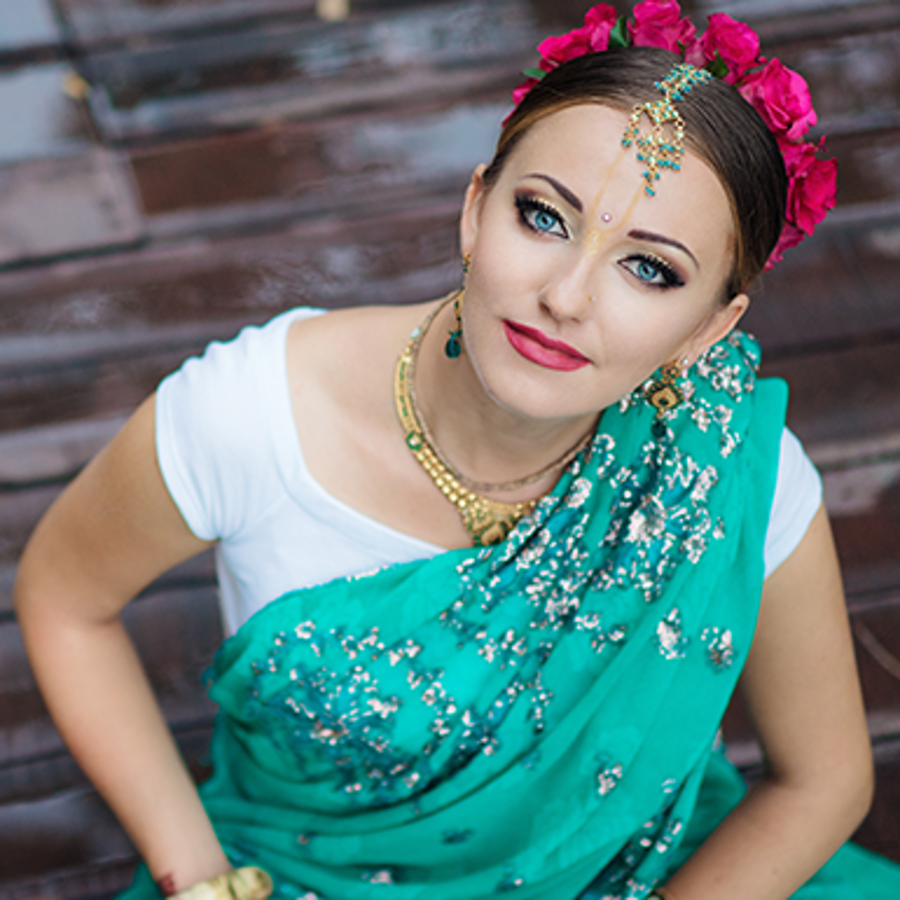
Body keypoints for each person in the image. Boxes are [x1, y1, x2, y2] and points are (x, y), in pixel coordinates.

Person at [13, 3, 900, 899]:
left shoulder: (726, 472)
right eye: (544, 217)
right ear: (476, 208)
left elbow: (821, 780)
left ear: (708, 330)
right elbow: (63, 599)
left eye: (650, 268)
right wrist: (201, 877)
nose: (566, 295)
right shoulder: (253, 420)